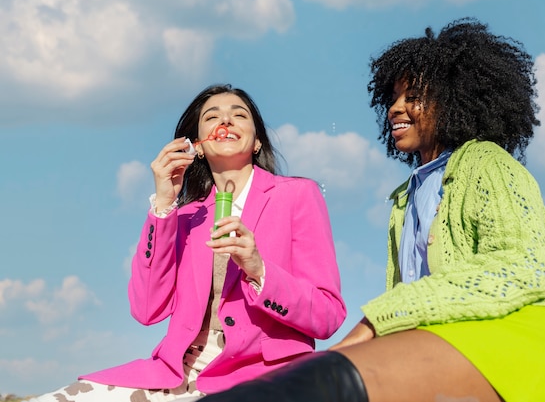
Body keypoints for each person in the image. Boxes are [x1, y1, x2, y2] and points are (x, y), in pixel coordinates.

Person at [191, 18, 545, 402]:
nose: (396, 108)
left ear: (455, 101)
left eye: (413, 96)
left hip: (530, 341)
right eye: (393, 97)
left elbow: (524, 267)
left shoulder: (486, 163)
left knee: (322, 382)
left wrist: (375, 324)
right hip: (454, 344)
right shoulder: (405, 198)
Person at [30, 84, 346, 401]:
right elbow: (147, 310)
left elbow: (327, 315)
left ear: (257, 141)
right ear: (197, 145)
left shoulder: (297, 195)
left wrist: (259, 270)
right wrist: (164, 205)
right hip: (177, 373)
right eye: (212, 116)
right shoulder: (186, 216)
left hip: (262, 374)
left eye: (239, 115)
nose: (226, 121)